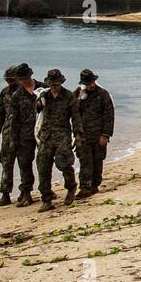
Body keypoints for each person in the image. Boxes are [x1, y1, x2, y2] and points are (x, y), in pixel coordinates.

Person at [0, 63, 40, 206]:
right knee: (6, 162)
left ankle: (27, 191)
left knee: (28, 162)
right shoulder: (5, 93)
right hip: (9, 133)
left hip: (34, 131)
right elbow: (0, 115)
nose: (10, 83)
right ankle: (5, 193)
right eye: (8, 80)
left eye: (12, 80)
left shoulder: (38, 89)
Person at [35, 69, 80, 211]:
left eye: (57, 84)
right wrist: (38, 104)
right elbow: (37, 111)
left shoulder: (68, 96)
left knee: (64, 163)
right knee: (43, 166)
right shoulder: (44, 96)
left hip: (62, 135)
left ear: (61, 82)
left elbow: (76, 117)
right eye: (52, 84)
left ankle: (71, 188)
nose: (54, 86)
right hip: (46, 136)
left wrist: (78, 135)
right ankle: (46, 198)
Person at [75, 69, 115, 198]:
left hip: (99, 134)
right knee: (85, 162)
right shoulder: (78, 95)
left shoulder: (103, 94)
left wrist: (105, 135)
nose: (91, 85)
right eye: (88, 83)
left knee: (98, 161)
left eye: (92, 82)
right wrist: (76, 134)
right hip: (84, 135)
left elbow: (109, 115)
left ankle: (95, 185)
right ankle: (84, 187)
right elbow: (73, 114)